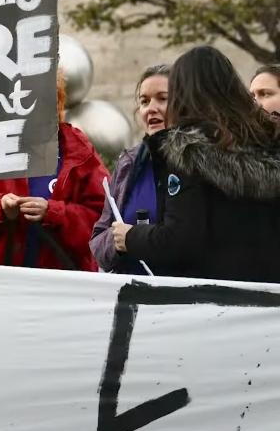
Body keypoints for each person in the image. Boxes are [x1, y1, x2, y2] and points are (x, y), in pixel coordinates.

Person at [113, 46, 280, 282]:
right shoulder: (269, 140)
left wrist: (131, 237)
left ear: (182, 93)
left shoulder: (188, 150)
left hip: (216, 299)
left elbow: (180, 241)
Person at [0, 72, 109, 270]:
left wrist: (55, 213)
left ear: (57, 101)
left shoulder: (79, 152)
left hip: (66, 290)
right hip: (0, 288)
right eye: (21, 98)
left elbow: (104, 224)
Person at [90, 64, 169, 274]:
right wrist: (116, 241)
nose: (151, 108)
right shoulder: (129, 164)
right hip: (131, 297)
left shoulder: (197, 161)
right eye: (144, 101)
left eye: (162, 98)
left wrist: (136, 238)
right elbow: (98, 241)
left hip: (182, 298)